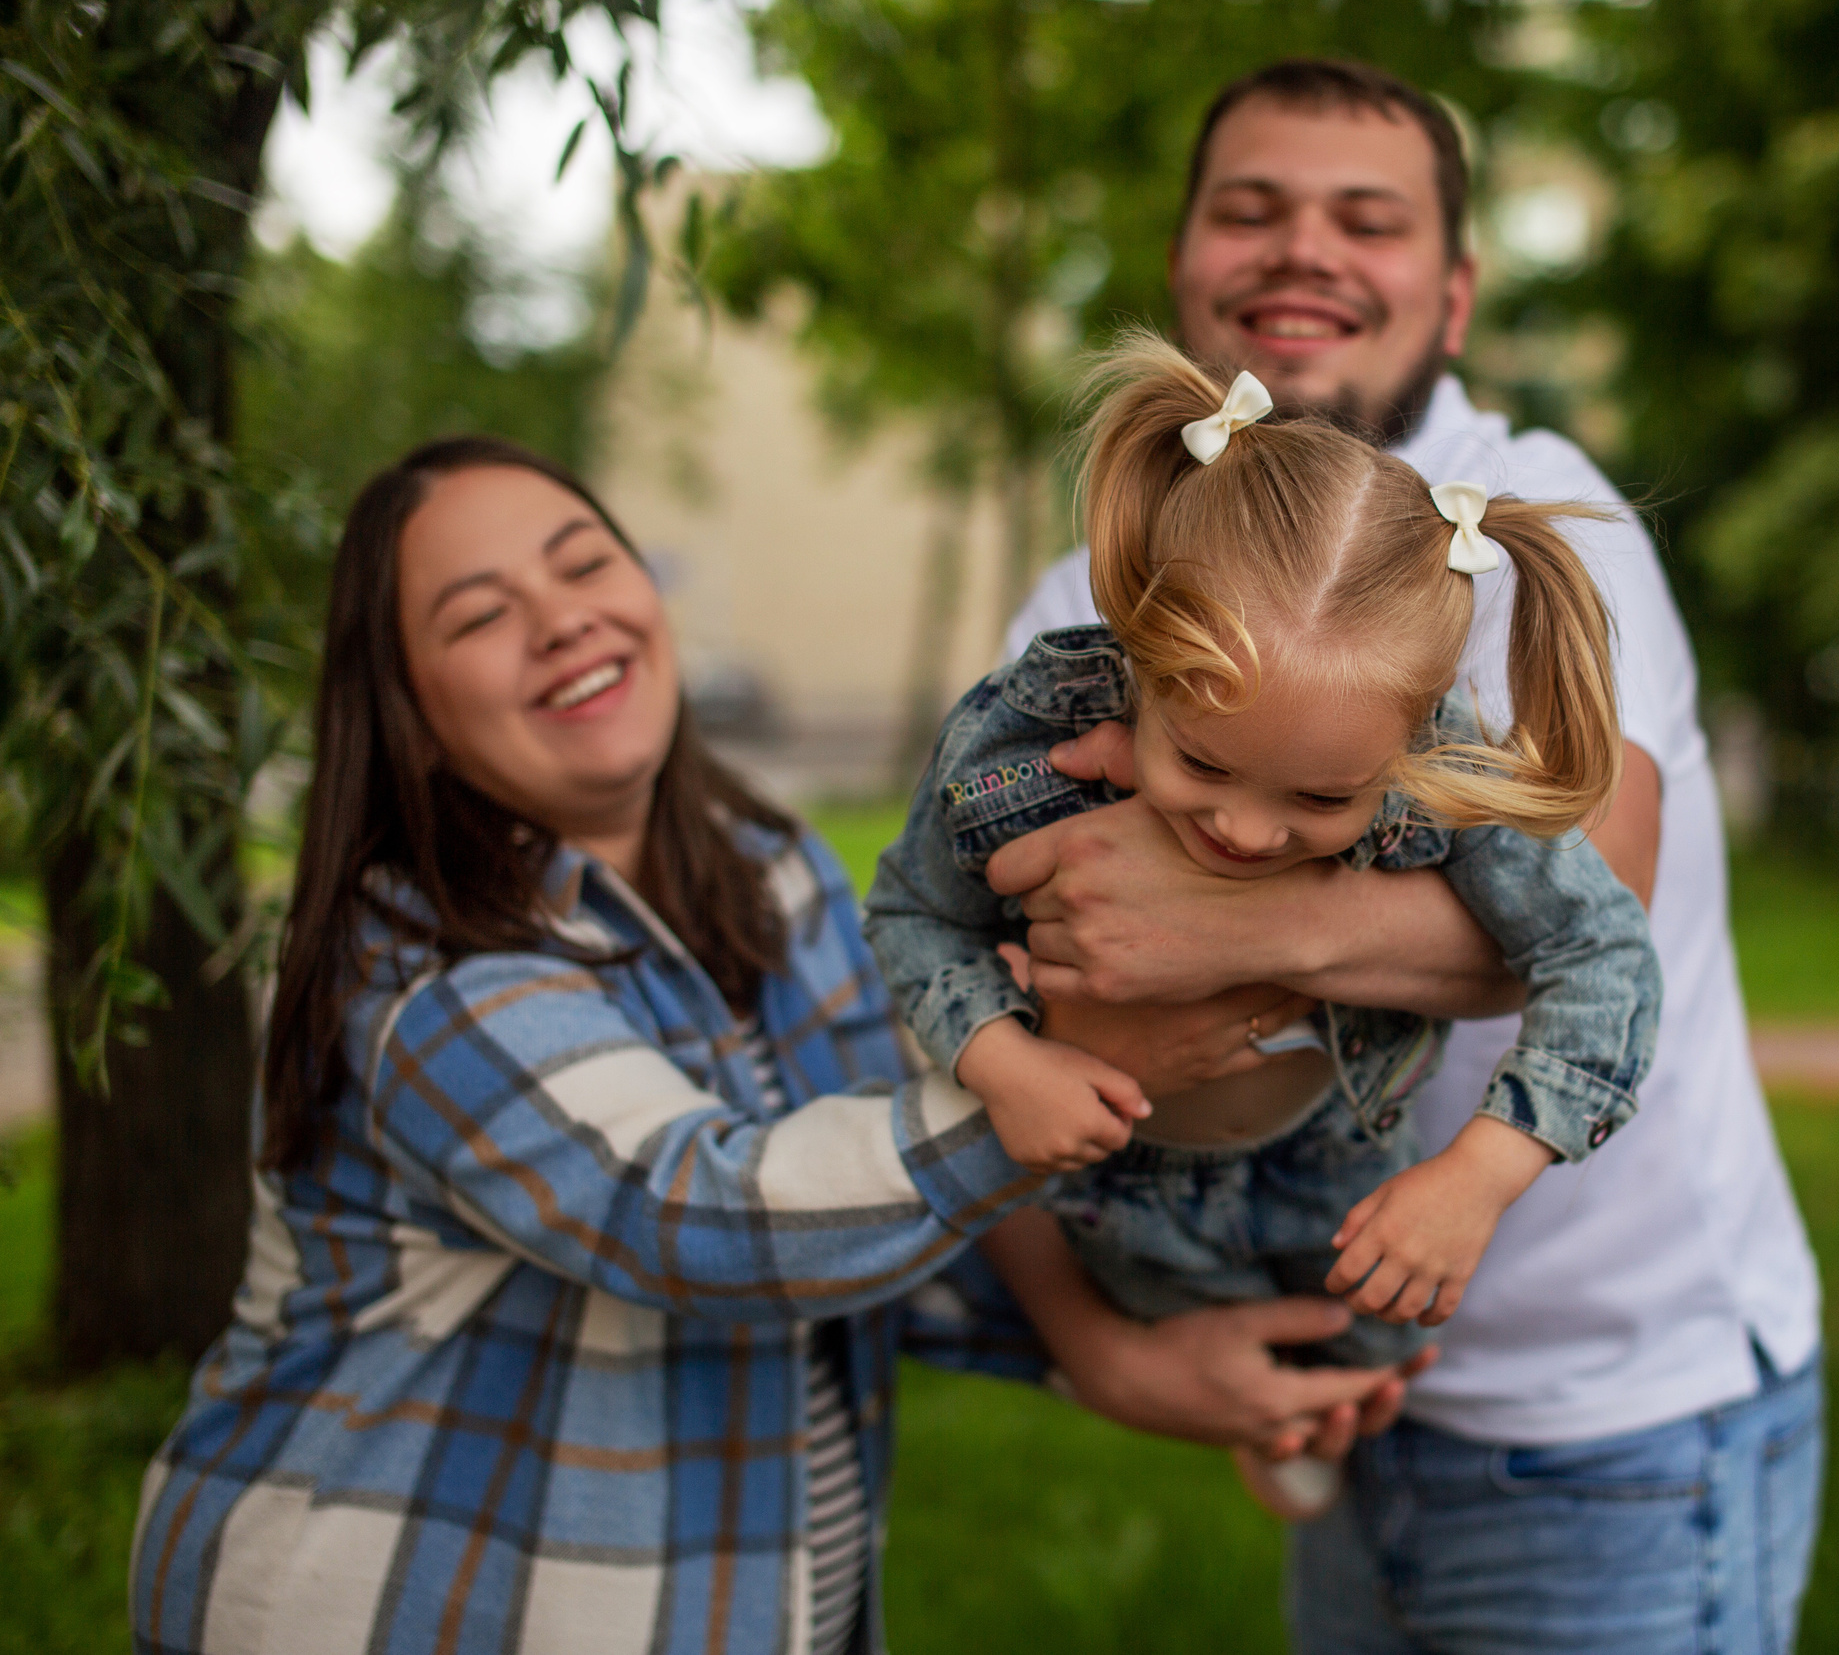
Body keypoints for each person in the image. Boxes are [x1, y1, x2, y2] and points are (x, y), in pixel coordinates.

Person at [129, 437, 1408, 1655]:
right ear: (405, 709)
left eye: (583, 563)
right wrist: (1064, 1057)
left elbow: (872, 1198)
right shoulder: (407, 967)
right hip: (407, 1606)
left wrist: (1133, 1344)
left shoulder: (772, 871)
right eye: (478, 615)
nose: (562, 615)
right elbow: (697, 1216)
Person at [997, 60, 1827, 1652]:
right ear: (1186, 264)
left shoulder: (1534, 528)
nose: (1302, 248)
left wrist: (1218, 926)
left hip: (1606, 1426)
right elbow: (964, 985)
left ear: (1448, 300)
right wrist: (1099, 1345)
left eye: (1363, 220)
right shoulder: (1084, 589)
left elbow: (1600, 904)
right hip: (1338, 1399)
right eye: (1252, 209)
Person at [866, 334, 1661, 1510]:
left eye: (1323, 799)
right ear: (1139, 652)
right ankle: (1278, 1421)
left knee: (1364, 1359)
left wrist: (1480, 1175)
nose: (1244, 832)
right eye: (1202, 762)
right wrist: (1001, 1055)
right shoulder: (1021, 732)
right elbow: (908, 913)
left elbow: (1603, 956)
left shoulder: (1432, 758)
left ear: (1400, 744)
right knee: (1188, 1351)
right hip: (1109, 1195)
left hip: (1338, 1175)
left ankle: (1314, 1420)